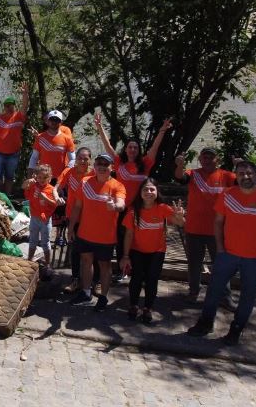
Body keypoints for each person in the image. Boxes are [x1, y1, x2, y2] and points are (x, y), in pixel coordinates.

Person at [188, 161, 256, 345]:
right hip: (228, 254)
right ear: (237, 176)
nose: (245, 177)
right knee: (214, 291)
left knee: (247, 296)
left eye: (249, 173)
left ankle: (236, 330)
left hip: (255, 257)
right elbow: (218, 222)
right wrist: (219, 247)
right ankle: (205, 323)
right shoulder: (228, 195)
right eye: (241, 173)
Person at [95, 114, 173, 281]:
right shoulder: (118, 163)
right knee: (120, 238)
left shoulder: (145, 164)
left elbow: (155, 148)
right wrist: (99, 126)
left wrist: (162, 131)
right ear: (126, 149)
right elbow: (107, 146)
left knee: (136, 240)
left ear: (139, 150)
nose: (132, 150)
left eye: (135, 148)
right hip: (121, 208)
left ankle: (137, 270)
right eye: (130, 147)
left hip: (139, 208)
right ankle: (123, 269)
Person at [175, 148, 237, 303]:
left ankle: (225, 296)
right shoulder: (193, 174)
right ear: (200, 159)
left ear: (218, 159)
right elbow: (179, 177)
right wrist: (180, 165)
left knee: (221, 265)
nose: (207, 160)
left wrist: (240, 166)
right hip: (194, 228)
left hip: (218, 230)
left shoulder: (227, 175)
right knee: (194, 263)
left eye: (211, 157)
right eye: (204, 157)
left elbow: (244, 184)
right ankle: (194, 291)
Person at [119, 178, 185, 323]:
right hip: (137, 251)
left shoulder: (163, 208)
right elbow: (129, 234)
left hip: (157, 251)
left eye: (152, 189)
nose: (149, 192)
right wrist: (125, 256)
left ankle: (148, 308)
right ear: (140, 193)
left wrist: (180, 217)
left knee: (152, 280)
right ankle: (133, 305)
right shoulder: (133, 211)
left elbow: (180, 223)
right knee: (136, 279)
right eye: (145, 189)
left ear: (157, 192)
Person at [67, 153, 126, 311]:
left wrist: (115, 206)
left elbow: (121, 204)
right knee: (86, 262)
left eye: (105, 164)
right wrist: (71, 227)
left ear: (111, 168)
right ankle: (86, 293)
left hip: (105, 237)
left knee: (105, 266)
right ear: (94, 166)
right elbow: (77, 206)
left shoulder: (117, 186)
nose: (101, 167)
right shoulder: (85, 182)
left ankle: (104, 297)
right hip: (85, 233)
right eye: (99, 163)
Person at [56, 147, 94, 296]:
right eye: (80, 158)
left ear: (90, 159)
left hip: (90, 218)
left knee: (92, 251)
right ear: (75, 159)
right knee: (75, 250)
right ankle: (75, 280)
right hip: (72, 216)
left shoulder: (94, 174)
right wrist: (55, 195)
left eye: (86, 158)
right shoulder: (69, 172)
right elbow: (58, 186)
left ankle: (93, 282)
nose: (83, 161)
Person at [0, 84, 29, 195]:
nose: (9, 107)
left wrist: (25, 94)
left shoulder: (19, 117)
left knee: (10, 176)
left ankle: (7, 196)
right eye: (7, 105)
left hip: (13, 154)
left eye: (11, 105)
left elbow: (24, 107)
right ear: (4, 107)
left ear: (14, 106)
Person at [23, 163, 58, 273]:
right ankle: (30, 260)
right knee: (32, 240)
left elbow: (55, 204)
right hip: (34, 218)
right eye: (39, 177)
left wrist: (46, 198)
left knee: (45, 242)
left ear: (50, 177)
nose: (42, 180)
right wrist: (28, 181)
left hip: (45, 220)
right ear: (36, 177)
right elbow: (23, 187)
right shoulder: (33, 186)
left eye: (45, 177)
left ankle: (48, 264)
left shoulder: (51, 189)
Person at [29, 110, 76, 176]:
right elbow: (34, 157)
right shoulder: (40, 138)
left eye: (57, 120)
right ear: (47, 121)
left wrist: (66, 172)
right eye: (51, 119)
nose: (54, 122)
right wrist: (30, 172)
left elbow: (73, 159)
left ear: (61, 122)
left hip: (60, 178)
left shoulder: (67, 139)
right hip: (43, 177)